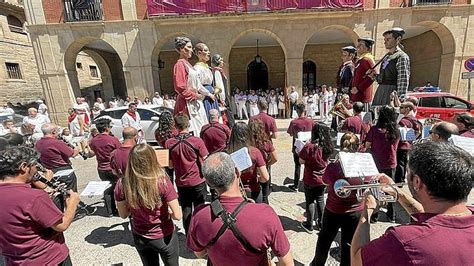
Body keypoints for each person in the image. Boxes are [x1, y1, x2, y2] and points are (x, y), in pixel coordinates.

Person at [351, 141, 474, 265]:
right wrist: (398, 192)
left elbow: (357, 260)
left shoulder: (403, 240)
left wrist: (367, 210)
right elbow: (434, 220)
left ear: (417, 181)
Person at [186, 152, 294, 266]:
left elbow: (199, 253)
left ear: (209, 184)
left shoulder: (199, 215)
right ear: (237, 172)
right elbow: (287, 263)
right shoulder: (265, 214)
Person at [0, 146, 80, 265]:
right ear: (23, 167)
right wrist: (72, 203)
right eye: (35, 166)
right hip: (48, 258)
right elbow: (61, 225)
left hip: (14, 260)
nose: (36, 171)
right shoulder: (33, 196)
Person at [115, 144, 182, 266]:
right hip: (163, 235)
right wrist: (168, 213)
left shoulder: (122, 183)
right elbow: (178, 215)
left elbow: (123, 215)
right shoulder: (162, 181)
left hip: (140, 235)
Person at [312, 133, 364, 266]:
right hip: (355, 212)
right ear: (357, 148)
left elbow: (324, 181)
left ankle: (318, 264)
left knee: (324, 239)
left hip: (333, 210)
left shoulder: (333, 167)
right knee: (348, 243)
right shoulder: (363, 168)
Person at [164, 114, 208, 234]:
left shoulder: (169, 143)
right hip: (197, 180)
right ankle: (200, 233)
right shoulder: (197, 141)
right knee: (200, 208)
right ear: (188, 124)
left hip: (181, 182)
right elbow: (205, 160)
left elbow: (170, 165)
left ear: (175, 126)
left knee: (186, 209)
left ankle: (189, 234)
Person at [365, 106, 400, 222]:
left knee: (376, 190)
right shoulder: (396, 130)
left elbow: (367, 145)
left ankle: (374, 216)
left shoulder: (374, 130)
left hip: (376, 163)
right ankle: (392, 215)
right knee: (390, 188)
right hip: (391, 162)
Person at [173, 37, 212, 136]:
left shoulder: (189, 65)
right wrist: (195, 96)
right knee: (192, 128)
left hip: (195, 102)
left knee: (201, 125)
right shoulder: (180, 65)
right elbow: (179, 87)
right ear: (181, 49)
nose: (191, 50)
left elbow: (198, 84)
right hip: (187, 103)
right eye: (189, 47)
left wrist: (208, 94)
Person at [299, 123, 333, 232]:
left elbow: (301, 161)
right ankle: (322, 223)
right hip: (322, 179)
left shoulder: (309, 146)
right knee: (320, 200)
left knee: (309, 201)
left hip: (310, 178)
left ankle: (309, 224)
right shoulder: (327, 146)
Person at [86, 118, 121, 216]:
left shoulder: (93, 140)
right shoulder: (112, 139)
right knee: (119, 188)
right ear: (106, 128)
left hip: (101, 168)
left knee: (107, 189)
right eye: (110, 126)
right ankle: (122, 209)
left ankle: (110, 211)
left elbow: (92, 153)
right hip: (113, 168)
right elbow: (119, 152)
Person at [227, 122, 269, 202]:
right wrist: (258, 178)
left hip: (233, 192)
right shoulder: (255, 152)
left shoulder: (227, 152)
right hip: (252, 191)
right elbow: (265, 177)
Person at [35, 123, 81, 194]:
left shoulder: (38, 143)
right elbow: (72, 154)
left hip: (49, 171)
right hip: (63, 170)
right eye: (57, 130)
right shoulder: (56, 142)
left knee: (60, 193)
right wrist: (77, 148)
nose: (58, 132)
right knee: (71, 193)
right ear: (53, 132)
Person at [369, 28, 410, 106]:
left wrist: (399, 100)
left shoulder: (402, 57)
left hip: (391, 92)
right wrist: (374, 76)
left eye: (388, 39)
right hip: (381, 91)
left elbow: (403, 80)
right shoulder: (387, 57)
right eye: (385, 39)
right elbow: (383, 78)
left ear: (398, 39)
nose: (385, 42)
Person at [248, 119, 278, 205]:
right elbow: (275, 158)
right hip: (263, 169)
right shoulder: (266, 142)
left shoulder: (248, 143)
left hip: (252, 171)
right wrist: (267, 164)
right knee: (265, 196)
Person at [287, 103, 315, 191]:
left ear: (296, 111)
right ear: (305, 110)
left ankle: (296, 185)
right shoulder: (311, 121)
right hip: (309, 146)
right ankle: (308, 182)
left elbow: (291, 133)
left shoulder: (294, 122)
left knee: (297, 165)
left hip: (297, 147)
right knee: (309, 165)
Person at [395, 101, 421, 184]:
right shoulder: (414, 120)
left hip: (401, 144)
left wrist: (405, 139)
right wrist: (410, 140)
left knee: (400, 163)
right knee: (404, 162)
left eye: (402, 107)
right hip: (408, 145)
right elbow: (418, 132)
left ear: (408, 109)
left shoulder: (404, 121)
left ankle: (399, 180)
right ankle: (402, 179)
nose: (400, 108)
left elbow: (398, 131)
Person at [194, 43, 219, 121]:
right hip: (205, 95)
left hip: (212, 94)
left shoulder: (208, 68)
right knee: (208, 115)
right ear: (199, 53)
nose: (209, 52)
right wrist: (208, 94)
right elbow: (198, 85)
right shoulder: (197, 68)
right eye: (206, 50)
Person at [351, 38, 376, 111]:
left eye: (361, 45)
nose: (358, 47)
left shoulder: (367, 60)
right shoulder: (360, 60)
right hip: (357, 96)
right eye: (358, 45)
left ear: (368, 48)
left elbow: (373, 75)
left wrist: (359, 88)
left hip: (363, 97)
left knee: (365, 120)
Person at [211, 54, 234, 127]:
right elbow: (219, 86)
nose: (222, 62)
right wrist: (222, 99)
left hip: (224, 96)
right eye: (221, 60)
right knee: (227, 114)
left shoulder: (219, 71)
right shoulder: (217, 72)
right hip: (223, 97)